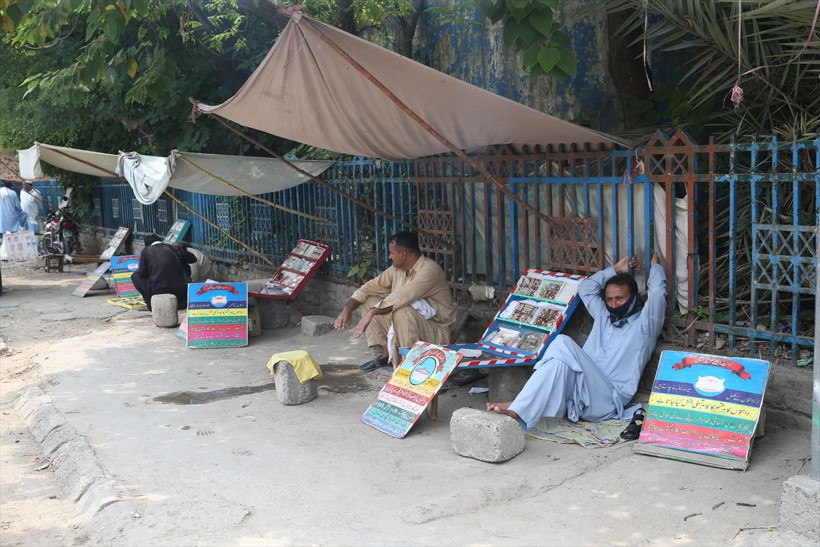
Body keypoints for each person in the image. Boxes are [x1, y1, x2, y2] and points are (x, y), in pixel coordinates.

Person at [487, 252, 667, 431]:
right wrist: (615, 269)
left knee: (562, 343)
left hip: (608, 400)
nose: (613, 305)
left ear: (633, 298)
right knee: (559, 360)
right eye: (609, 299)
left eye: (620, 299)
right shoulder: (604, 315)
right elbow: (586, 288)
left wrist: (655, 267)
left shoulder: (645, 326)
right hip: (579, 392)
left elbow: (658, 293)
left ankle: (517, 408)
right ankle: (519, 405)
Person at [334, 231, 455, 371]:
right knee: (369, 301)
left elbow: (402, 297)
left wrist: (372, 313)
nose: (389, 256)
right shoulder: (397, 270)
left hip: (436, 333)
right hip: (406, 326)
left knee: (402, 310)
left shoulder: (429, 270)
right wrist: (347, 310)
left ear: (403, 254)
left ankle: (409, 366)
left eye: (392, 253)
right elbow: (368, 288)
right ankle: (386, 356)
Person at [131, 234, 196, 311]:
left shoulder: (146, 251)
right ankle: (183, 299)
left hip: (159, 290)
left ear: (147, 245)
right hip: (181, 288)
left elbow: (142, 273)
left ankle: (151, 303)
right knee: (185, 265)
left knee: (135, 276)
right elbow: (193, 259)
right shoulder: (173, 248)